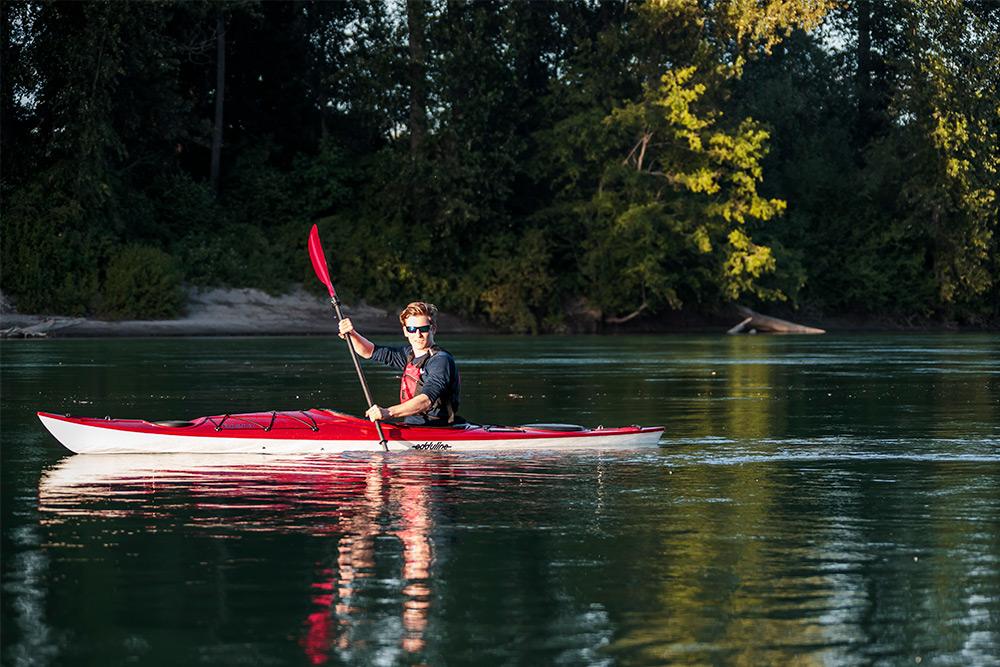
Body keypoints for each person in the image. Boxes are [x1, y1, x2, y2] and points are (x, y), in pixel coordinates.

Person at [338, 301, 461, 426]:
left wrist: (388, 412)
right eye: (412, 329)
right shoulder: (408, 354)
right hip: (411, 426)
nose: (418, 335)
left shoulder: (440, 360)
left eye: (423, 329)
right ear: (405, 331)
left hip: (438, 429)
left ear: (433, 329)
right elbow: (369, 351)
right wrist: (352, 334)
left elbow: (426, 401)